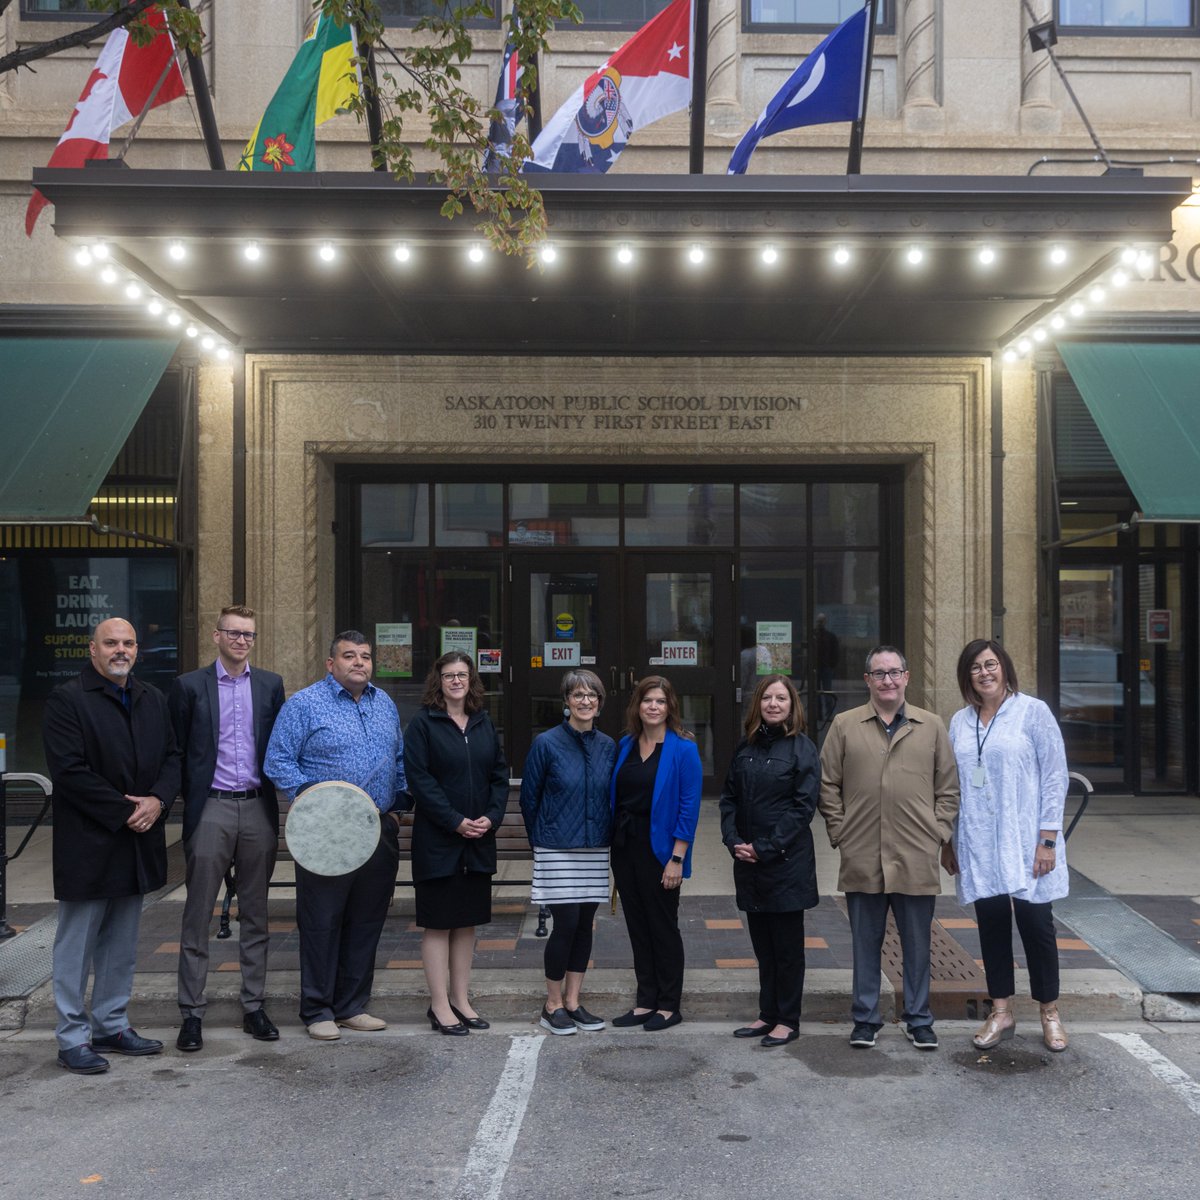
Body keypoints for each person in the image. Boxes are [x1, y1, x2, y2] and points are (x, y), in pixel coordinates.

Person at [42, 617, 182, 1075]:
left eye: (128, 643)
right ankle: (72, 1037)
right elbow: (69, 771)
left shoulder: (152, 698)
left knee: (121, 944)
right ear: (92, 649)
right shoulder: (68, 699)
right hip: (91, 840)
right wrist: (128, 810)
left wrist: (158, 800)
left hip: (138, 841)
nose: (120, 650)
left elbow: (172, 757)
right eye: (111, 643)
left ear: (137, 650)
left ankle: (111, 1024)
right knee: (76, 946)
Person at [264, 631, 406, 1041]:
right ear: (331, 664)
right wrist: (315, 800)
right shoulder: (305, 704)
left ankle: (351, 1006)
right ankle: (317, 1009)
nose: (359, 662)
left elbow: (398, 760)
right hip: (326, 832)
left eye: (365, 656)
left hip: (376, 828)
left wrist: (396, 809)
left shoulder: (385, 704)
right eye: (349, 655)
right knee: (322, 920)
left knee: (366, 919)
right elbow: (278, 760)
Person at [818, 645, 959, 1051]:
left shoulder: (931, 725)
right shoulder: (845, 725)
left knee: (918, 943)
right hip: (862, 851)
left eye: (894, 672)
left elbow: (948, 787)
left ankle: (919, 1019)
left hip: (916, 853)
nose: (887, 680)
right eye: (879, 673)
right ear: (867, 680)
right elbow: (828, 784)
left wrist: (937, 831)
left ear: (907, 677)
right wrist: (840, 831)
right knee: (865, 942)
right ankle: (865, 1019)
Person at [943, 639, 1071, 1053]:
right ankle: (1001, 1010)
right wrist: (949, 840)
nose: (985, 673)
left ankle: (1049, 1011)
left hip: (1026, 838)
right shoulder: (960, 722)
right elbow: (950, 786)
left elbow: (1055, 776)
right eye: (976, 667)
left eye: (991, 664)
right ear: (967, 677)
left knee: (1037, 927)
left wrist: (1047, 839)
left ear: (1005, 668)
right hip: (979, 840)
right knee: (992, 925)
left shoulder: (1033, 712)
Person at [169, 604, 286, 1052]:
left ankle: (254, 1006)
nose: (241, 640)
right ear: (216, 636)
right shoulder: (188, 687)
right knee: (197, 913)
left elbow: (279, 746)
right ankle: (191, 1013)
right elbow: (177, 751)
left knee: (256, 912)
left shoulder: (271, 685)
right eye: (234, 633)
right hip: (211, 807)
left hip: (257, 807)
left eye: (248, 635)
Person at [404, 652, 508, 1036]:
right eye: (449, 675)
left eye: (462, 675)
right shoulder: (423, 725)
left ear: (471, 680)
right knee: (438, 924)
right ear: (439, 681)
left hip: (478, 840)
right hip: (438, 840)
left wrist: (491, 818)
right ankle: (439, 1005)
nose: (456, 681)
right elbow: (419, 780)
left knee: (466, 923)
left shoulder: (483, 723)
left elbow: (499, 775)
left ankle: (462, 1000)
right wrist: (454, 821)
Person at [719, 674, 820, 1048]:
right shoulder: (745, 747)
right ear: (757, 704)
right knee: (763, 946)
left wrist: (765, 846)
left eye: (781, 698)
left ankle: (788, 1019)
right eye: (767, 698)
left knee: (787, 949)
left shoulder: (802, 748)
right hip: (747, 862)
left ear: (792, 706)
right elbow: (728, 797)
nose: (773, 704)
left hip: (785, 863)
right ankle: (767, 1013)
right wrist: (733, 840)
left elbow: (802, 807)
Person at [520, 669, 615, 1035]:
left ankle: (574, 1001)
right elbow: (530, 798)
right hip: (556, 847)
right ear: (566, 701)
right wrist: (540, 844)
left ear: (600, 701)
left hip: (594, 847)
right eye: (578, 694)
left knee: (585, 927)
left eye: (592, 695)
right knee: (566, 925)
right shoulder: (546, 743)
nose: (585, 700)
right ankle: (552, 1004)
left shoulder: (608, 745)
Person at [608, 675, 702, 1032]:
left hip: (662, 852)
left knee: (662, 926)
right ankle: (645, 1000)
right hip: (626, 848)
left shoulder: (683, 749)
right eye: (647, 700)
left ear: (669, 707)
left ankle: (668, 1004)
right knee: (637, 926)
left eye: (660, 701)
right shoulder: (626, 745)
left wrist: (677, 858)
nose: (653, 707)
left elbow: (689, 808)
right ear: (637, 705)